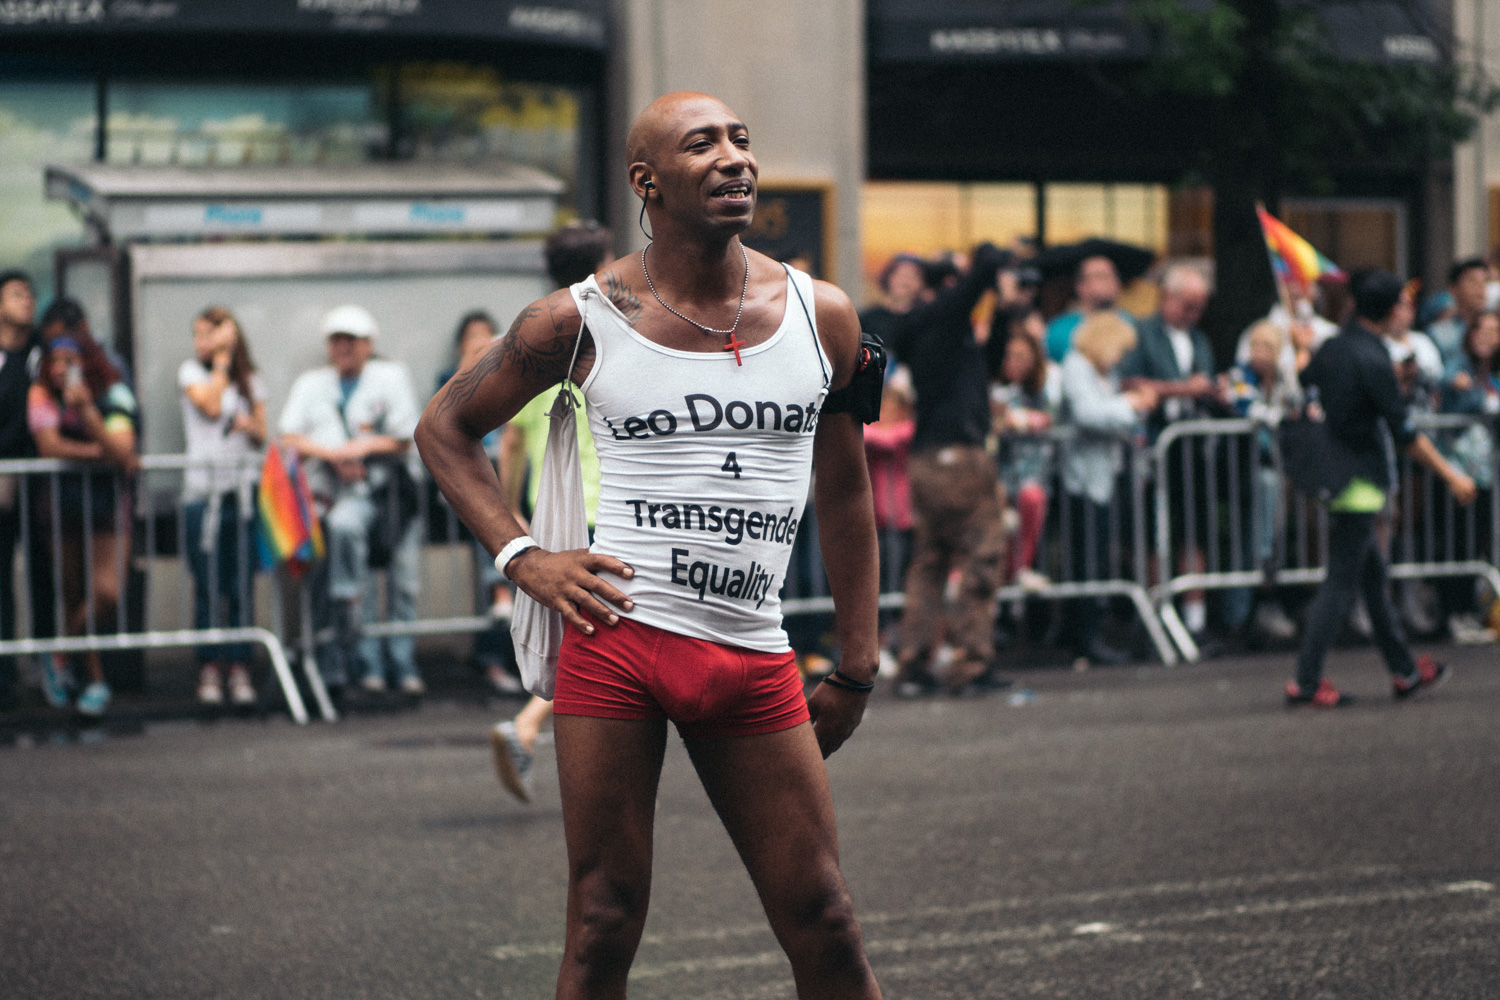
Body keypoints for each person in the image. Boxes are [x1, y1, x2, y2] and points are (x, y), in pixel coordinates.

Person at [416, 91, 884, 1000]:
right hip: (617, 645)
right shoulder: (577, 319)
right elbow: (444, 428)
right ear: (647, 181)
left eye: (742, 140)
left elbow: (847, 487)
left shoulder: (822, 316)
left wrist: (858, 665)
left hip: (751, 653)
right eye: (702, 144)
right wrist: (524, 559)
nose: (733, 158)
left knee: (825, 918)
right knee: (602, 920)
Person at [1287, 270, 1477, 708]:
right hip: (1362, 480)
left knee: (1372, 579)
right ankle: (1307, 679)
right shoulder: (1373, 360)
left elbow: (1305, 378)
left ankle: (1404, 670)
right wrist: (1452, 475)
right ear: (1393, 310)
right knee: (1341, 582)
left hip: (1338, 474)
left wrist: (1300, 348)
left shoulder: (1333, 346)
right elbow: (1404, 432)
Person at [489, 221, 612, 802]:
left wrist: (510, 513)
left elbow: (510, 441)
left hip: (550, 513)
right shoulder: (613, 328)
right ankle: (528, 728)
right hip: (604, 508)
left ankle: (541, 733)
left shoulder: (535, 332)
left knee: (586, 633)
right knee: (599, 638)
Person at [279, 304, 425, 697]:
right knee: (348, 576)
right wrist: (335, 456)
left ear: (368, 345)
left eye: (352, 340)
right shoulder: (312, 383)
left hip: (393, 495)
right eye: (337, 340)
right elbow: (289, 436)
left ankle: (403, 663)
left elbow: (403, 435)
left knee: (403, 583)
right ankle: (364, 664)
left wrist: (359, 450)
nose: (344, 347)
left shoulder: (390, 377)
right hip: (339, 499)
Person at [889, 242, 1011, 696]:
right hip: (961, 458)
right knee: (982, 556)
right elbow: (978, 278)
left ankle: (914, 664)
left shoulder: (929, 330)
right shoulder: (939, 319)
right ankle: (971, 663)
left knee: (930, 562)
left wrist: (1005, 310)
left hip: (928, 461)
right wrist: (991, 262)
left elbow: (991, 366)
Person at [28, 301, 140, 716]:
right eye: (55, 361)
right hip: (59, 507)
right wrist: (103, 454)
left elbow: (123, 446)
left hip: (108, 507)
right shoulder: (41, 394)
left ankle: (59, 652)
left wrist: (88, 413)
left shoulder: (114, 393)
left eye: (69, 360)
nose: (60, 369)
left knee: (106, 593)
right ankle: (94, 679)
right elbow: (50, 446)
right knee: (74, 593)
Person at [1119, 263, 1225, 640]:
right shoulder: (1141, 333)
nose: (1193, 315)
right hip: (1155, 446)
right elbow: (1127, 382)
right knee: (1153, 532)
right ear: (1167, 298)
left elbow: (1204, 382)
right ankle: (1158, 613)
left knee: (1193, 530)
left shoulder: (1199, 340)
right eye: (1187, 306)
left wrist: (1216, 391)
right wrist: (1181, 389)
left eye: (1199, 307)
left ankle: (1194, 618)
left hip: (1191, 449)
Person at [1059, 311, 1156, 666]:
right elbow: (1089, 414)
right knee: (1086, 562)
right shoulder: (1077, 366)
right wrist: (1129, 405)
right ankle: (1084, 638)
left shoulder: (1102, 372)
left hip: (1102, 477)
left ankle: (1088, 635)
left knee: (1095, 558)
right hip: (1083, 480)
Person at [180, 307, 265, 706]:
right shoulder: (192, 373)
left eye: (208, 334)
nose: (201, 342)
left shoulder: (250, 380)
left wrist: (250, 428)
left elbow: (262, 434)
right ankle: (210, 667)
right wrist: (221, 363)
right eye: (197, 335)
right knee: (208, 587)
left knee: (240, 586)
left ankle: (241, 667)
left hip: (241, 495)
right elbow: (211, 407)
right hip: (202, 495)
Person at [436, 310, 520, 695]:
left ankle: (510, 660)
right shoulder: (450, 383)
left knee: (519, 566)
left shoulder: (513, 380)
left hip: (512, 487)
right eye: (473, 336)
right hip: (471, 487)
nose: (481, 342)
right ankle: (497, 594)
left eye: (488, 335)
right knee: (497, 545)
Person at [1220, 320, 1301, 642]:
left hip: (1279, 468)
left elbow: (1297, 404)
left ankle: (1265, 603)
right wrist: (1278, 417)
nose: (1259, 354)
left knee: (1273, 540)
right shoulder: (1241, 374)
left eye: (1267, 347)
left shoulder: (1283, 377)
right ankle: (1237, 616)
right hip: (1246, 470)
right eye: (1255, 346)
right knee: (1249, 543)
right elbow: (1245, 406)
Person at [1435, 311, 1500, 643]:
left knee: (1479, 542)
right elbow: (1455, 398)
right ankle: (1454, 612)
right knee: (1457, 542)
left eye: (1494, 331)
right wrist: (1477, 396)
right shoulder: (1457, 365)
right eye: (1481, 330)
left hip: (1487, 472)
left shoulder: (1491, 373)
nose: (1487, 337)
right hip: (1458, 468)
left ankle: (1473, 610)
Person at [991, 325, 1060, 592]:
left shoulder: (1045, 392)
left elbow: (1051, 417)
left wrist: (1023, 420)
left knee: (1032, 499)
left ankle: (1020, 568)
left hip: (1032, 475)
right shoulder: (996, 390)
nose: (1014, 362)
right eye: (1010, 355)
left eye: (1022, 355)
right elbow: (993, 419)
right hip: (999, 474)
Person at [0, 270, 40, 711]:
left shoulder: (40, 354)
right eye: (15, 294)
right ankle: (4, 673)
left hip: (38, 484)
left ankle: (46, 665)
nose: (25, 301)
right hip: (4, 482)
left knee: (44, 576)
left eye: (29, 295)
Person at [1045, 254, 1126, 363]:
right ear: (1081, 287)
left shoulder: (1130, 322)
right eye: (1100, 276)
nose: (1109, 281)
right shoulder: (1060, 329)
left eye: (1113, 275)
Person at [859, 253, 926, 361]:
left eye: (912, 276)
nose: (905, 281)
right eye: (900, 274)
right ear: (888, 277)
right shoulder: (868, 318)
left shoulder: (926, 319)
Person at [1427, 258, 1490, 366]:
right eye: (1472, 281)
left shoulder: (1493, 328)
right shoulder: (1439, 333)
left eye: (1485, 281)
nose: (1480, 288)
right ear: (1454, 289)